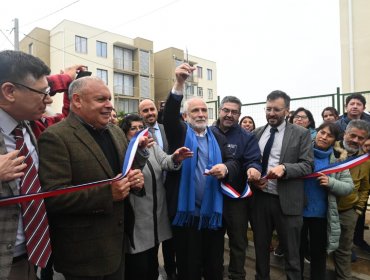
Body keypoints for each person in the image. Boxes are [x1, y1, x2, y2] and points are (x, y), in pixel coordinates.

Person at [38, 76, 148, 280]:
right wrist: (108, 194)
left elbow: (125, 172)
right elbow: (54, 197)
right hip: (84, 256)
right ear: (77, 101)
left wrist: (135, 182)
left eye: (109, 99)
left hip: (117, 247)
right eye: (101, 100)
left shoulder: (115, 131)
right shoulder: (55, 137)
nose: (109, 106)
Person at [163, 63, 239, 280]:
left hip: (212, 216)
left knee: (214, 267)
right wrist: (179, 83)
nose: (200, 114)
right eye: (194, 110)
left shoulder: (218, 137)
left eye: (204, 110)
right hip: (186, 216)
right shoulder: (179, 133)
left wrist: (225, 167)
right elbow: (169, 116)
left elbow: (234, 162)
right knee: (189, 267)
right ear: (186, 117)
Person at [0, 50, 53, 280]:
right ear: (10, 91)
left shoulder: (28, 128)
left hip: (29, 258)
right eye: (42, 93)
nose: (49, 100)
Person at [121, 114, 192, 280]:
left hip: (157, 215)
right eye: (133, 128)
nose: (138, 131)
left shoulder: (152, 147)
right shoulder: (125, 151)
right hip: (138, 218)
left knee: (152, 262)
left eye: (141, 128)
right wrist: (138, 150)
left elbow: (165, 161)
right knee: (138, 266)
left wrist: (175, 157)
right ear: (125, 133)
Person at [252, 90, 314, 280]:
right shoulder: (257, 133)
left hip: (287, 202)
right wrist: (253, 174)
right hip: (260, 200)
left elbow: (308, 165)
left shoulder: (301, 134)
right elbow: (252, 160)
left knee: (292, 254)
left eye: (276, 110)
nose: (271, 113)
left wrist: (285, 169)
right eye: (268, 109)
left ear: (287, 111)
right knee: (261, 250)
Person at [212, 96, 261, 280]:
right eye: (226, 110)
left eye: (234, 112)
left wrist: (253, 169)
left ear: (239, 114)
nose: (229, 115)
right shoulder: (207, 132)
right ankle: (213, 272)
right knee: (212, 239)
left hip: (236, 198)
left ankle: (237, 274)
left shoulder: (246, 137)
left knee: (238, 241)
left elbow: (254, 160)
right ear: (219, 110)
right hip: (212, 196)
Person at [300, 122, 353, 279]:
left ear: (335, 140)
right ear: (316, 133)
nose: (324, 137)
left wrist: (331, 183)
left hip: (322, 215)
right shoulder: (301, 151)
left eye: (329, 135)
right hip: (297, 212)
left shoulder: (338, 160)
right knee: (297, 252)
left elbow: (348, 187)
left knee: (318, 254)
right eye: (322, 132)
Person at [138, 98, 177, 279]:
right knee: (152, 239)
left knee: (170, 237)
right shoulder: (138, 136)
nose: (149, 113)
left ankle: (171, 271)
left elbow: (167, 158)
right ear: (141, 114)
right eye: (145, 111)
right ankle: (153, 271)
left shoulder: (165, 128)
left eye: (151, 109)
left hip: (170, 190)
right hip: (148, 195)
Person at [333, 119, 370, 280]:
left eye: (360, 138)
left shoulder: (365, 160)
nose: (355, 140)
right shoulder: (328, 148)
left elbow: (364, 188)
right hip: (322, 208)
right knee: (319, 246)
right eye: (352, 135)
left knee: (344, 249)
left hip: (348, 211)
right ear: (345, 133)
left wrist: (358, 210)